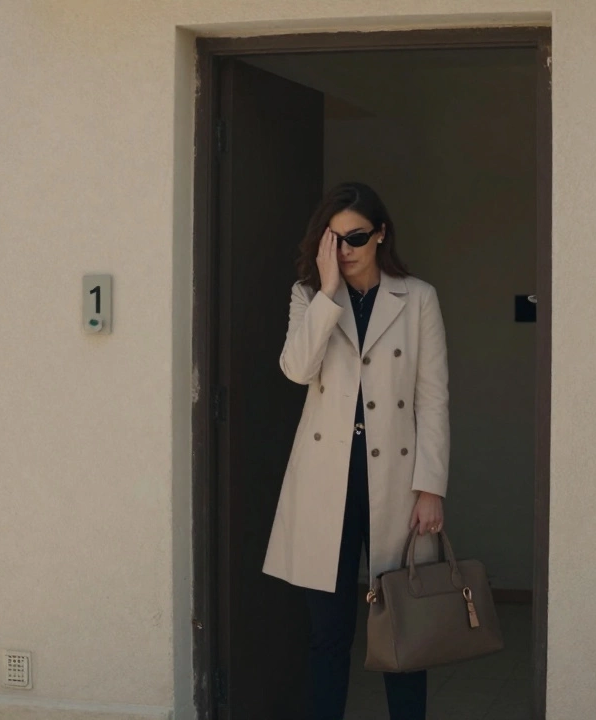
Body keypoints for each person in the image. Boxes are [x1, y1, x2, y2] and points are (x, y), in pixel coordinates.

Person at [263, 182, 450, 720]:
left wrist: (431, 486)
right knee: (328, 634)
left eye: (357, 237)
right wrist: (325, 293)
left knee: (403, 632)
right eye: (335, 239)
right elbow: (296, 370)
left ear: (381, 234)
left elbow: (433, 399)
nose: (346, 250)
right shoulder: (310, 297)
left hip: (396, 480)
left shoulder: (417, 298)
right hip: (328, 480)